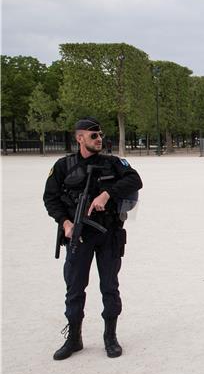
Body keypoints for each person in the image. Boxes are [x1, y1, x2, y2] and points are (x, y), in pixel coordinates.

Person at [43, 117, 143, 360]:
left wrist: (107, 194)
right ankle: (74, 338)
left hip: (108, 234)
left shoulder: (113, 163)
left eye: (100, 135)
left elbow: (135, 179)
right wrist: (65, 223)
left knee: (110, 287)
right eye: (93, 136)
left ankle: (110, 337)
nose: (99, 139)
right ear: (80, 138)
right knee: (74, 289)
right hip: (78, 237)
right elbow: (50, 198)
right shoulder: (63, 166)